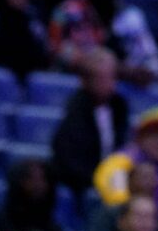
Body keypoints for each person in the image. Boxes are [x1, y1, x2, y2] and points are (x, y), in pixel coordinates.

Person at [51, 51, 129, 194]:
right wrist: (98, 181)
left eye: (112, 77)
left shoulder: (119, 106)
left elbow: (122, 146)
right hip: (82, 183)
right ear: (85, 81)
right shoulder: (75, 109)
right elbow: (68, 158)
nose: (109, 84)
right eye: (102, 78)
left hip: (113, 178)